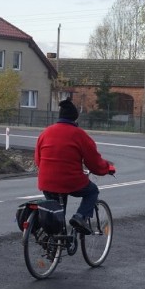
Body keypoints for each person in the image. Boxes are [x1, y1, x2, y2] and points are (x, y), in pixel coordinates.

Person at [34, 99, 115, 235]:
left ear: (59, 116)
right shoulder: (80, 135)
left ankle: (54, 245)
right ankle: (80, 217)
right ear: (75, 118)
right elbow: (94, 163)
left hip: (46, 181)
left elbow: (38, 160)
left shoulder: (45, 133)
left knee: (57, 214)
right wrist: (108, 168)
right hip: (70, 181)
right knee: (92, 191)